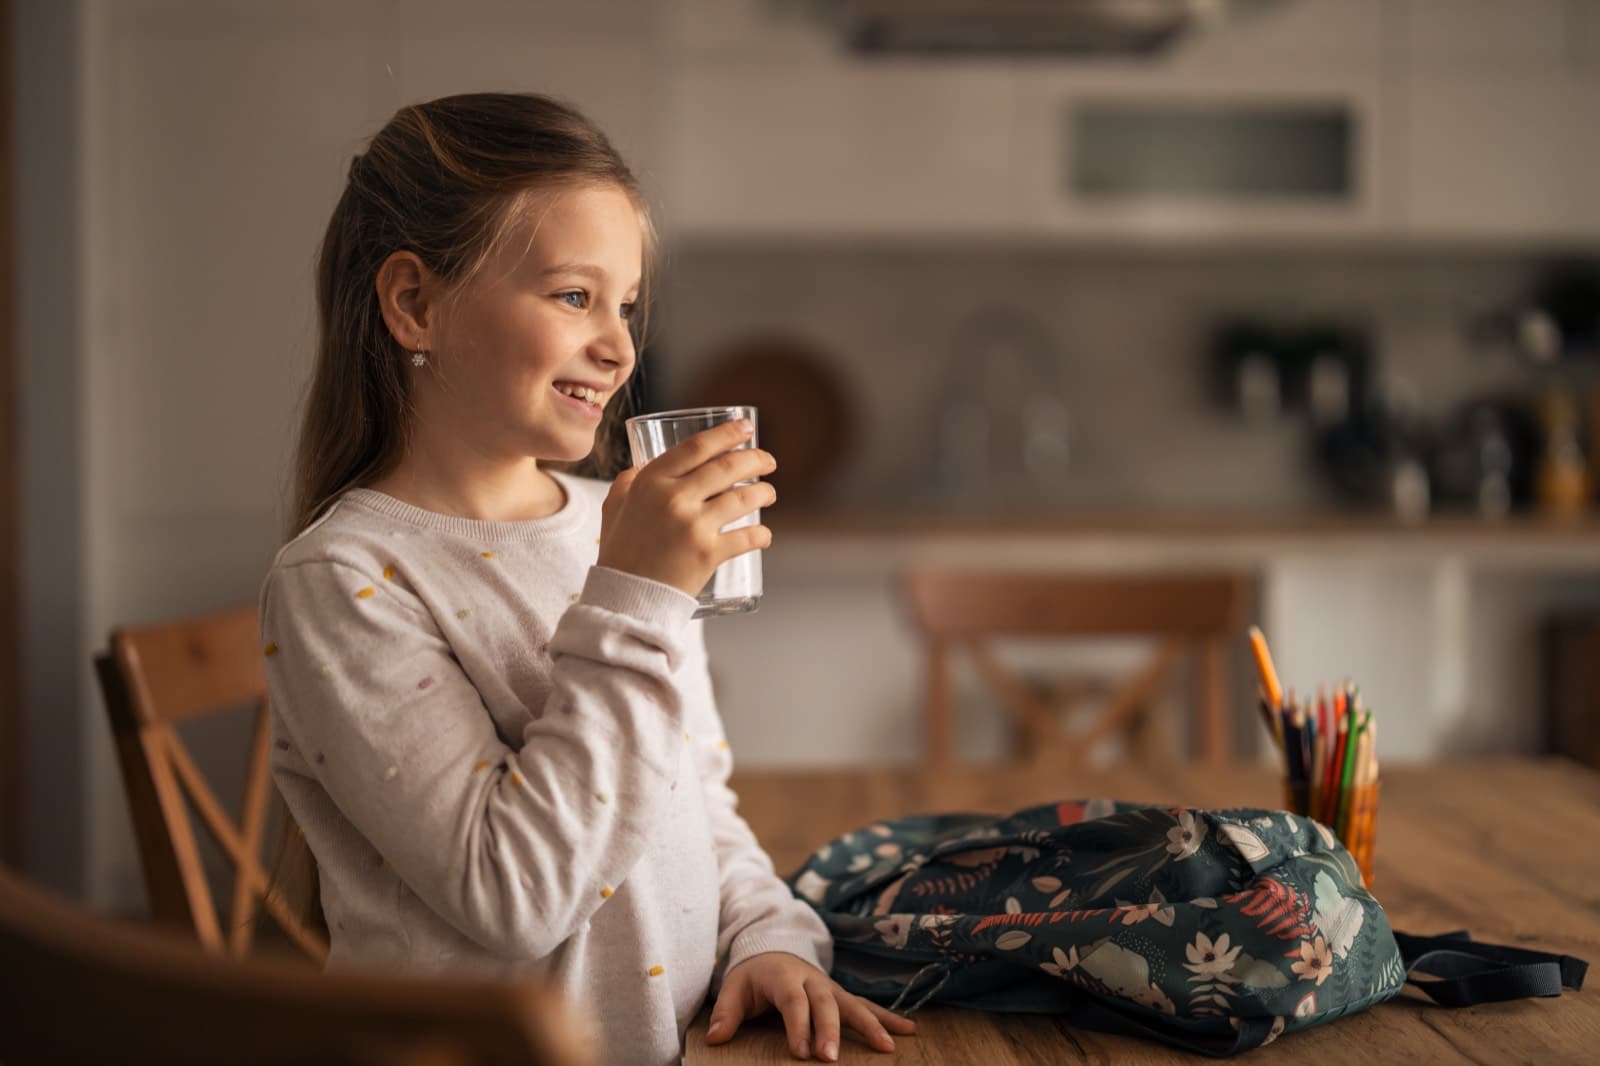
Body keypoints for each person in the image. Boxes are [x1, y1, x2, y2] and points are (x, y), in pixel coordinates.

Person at [259, 92, 915, 1064]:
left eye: (627, 304)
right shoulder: (345, 578)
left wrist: (767, 936)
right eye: (574, 296)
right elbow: (513, 896)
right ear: (414, 303)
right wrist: (639, 593)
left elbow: (691, 789)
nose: (619, 346)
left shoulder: (607, 518)